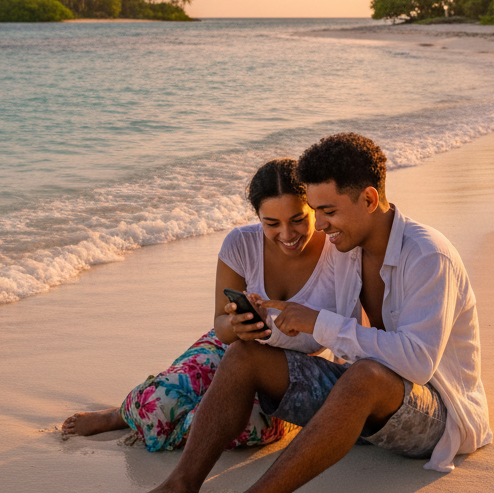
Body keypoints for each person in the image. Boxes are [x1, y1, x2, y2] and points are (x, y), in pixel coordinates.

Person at [100, 132, 492, 493]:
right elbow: (325, 333)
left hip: (438, 416)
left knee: (365, 377)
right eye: (318, 212)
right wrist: (270, 321)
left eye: (327, 211)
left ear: (368, 198)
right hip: (366, 402)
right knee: (247, 357)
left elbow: (417, 363)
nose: (320, 227)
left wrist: (317, 321)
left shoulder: (428, 256)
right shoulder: (347, 250)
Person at [61, 158, 334, 451]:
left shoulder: (338, 249)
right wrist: (236, 325)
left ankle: (156, 421)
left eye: (298, 219)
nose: (287, 234)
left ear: (313, 209)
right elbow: (221, 326)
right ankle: (123, 414)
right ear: (258, 217)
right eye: (272, 223)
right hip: (232, 349)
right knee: (157, 404)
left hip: (290, 373)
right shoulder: (240, 244)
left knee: (223, 423)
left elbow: (359, 328)